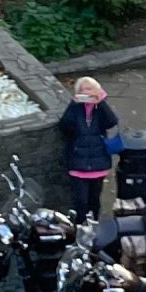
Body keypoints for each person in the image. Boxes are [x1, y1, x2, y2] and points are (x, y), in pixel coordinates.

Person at [58, 76, 120, 219]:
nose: (87, 92)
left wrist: (101, 103)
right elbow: (65, 126)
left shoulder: (100, 108)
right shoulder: (75, 108)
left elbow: (111, 122)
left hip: (98, 162)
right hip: (78, 163)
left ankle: (94, 226)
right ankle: (80, 227)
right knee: (81, 201)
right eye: (83, 89)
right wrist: (74, 104)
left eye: (90, 88)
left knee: (94, 200)